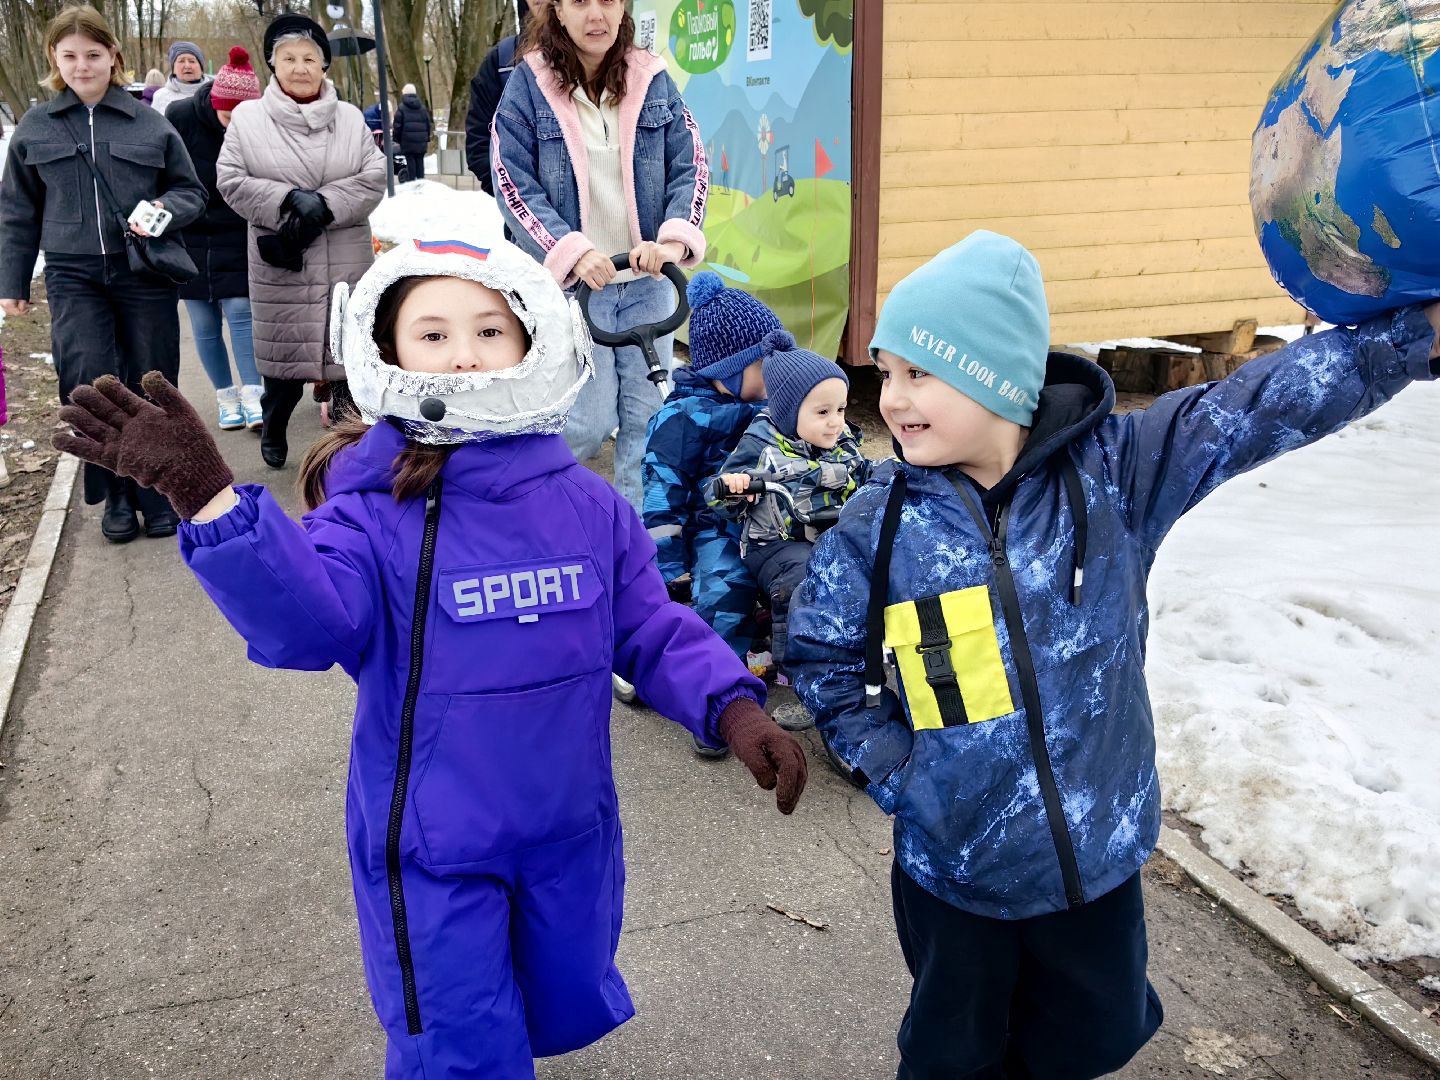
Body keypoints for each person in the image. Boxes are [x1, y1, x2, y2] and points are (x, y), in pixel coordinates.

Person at [53, 237, 808, 1079]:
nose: (464, 355)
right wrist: (211, 499)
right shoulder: (373, 511)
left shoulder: (587, 504)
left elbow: (650, 627)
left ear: (533, 341)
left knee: (553, 1002)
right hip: (433, 853)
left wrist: (732, 705)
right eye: (434, 333)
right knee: (460, 1053)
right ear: (389, 350)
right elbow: (308, 623)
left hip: (569, 836)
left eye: (490, 331)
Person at [785, 230, 1440, 1080]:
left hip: (1094, 863)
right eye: (889, 371)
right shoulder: (884, 523)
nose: (893, 397)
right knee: (953, 1057)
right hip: (959, 871)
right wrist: (899, 774)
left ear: (996, 381)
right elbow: (822, 656)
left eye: (920, 373)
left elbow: (1253, 409)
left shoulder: (1115, 477)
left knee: (1078, 1049)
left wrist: (1410, 337)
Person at [492, 0, 709, 512]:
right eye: (580, 2)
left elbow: (691, 163)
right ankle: (538, 517)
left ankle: (641, 545)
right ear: (557, 12)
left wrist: (672, 241)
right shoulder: (529, 84)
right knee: (583, 425)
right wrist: (570, 250)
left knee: (647, 420)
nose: (597, 14)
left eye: (608, 0)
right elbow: (511, 178)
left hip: (647, 283)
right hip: (575, 287)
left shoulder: (649, 77)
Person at [0, 5, 206, 542]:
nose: (82, 65)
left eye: (93, 54)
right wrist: (12, 282)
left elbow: (192, 192)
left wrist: (159, 211)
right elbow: (17, 211)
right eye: (69, 56)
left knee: (151, 378)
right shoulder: (35, 127)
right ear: (54, 59)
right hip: (73, 274)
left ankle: (157, 492)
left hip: (142, 271)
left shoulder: (149, 122)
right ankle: (115, 492)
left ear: (113, 56)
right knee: (90, 381)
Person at [216, 13, 385, 469]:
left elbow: (373, 177)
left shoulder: (349, 118)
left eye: (309, 58)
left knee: (346, 359)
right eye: (288, 58)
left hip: (345, 256)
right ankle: (274, 425)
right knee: (284, 365)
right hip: (283, 259)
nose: (300, 67)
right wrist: (288, 198)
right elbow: (230, 180)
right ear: (273, 65)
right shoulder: (248, 119)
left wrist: (325, 203)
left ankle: (350, 450)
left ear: (324, 65)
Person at [712, 330, 866, 691]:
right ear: (789, 412)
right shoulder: (762, 444)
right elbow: (715, 495)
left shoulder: (842, 440)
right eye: (823, 412)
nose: (836, 421)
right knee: (802, 575)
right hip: (775, 542)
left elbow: (864, 470)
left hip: (829, 532)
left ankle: (855, 644)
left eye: (841, 409)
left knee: (867, 563)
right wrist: (735, 488)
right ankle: (793, 666)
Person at [641, 271, 780, 674]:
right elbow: (661, 492)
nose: (775, 375)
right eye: (764, 367)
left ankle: (783, 639)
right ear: (729, 371)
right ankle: (719, 681)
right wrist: (667, 564)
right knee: (726, 585)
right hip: (712, 526)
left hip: (768, 519)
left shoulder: (772, 406)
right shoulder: (681, 419)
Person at [167, 46, 264, 431]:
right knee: (204, 321)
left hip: (236, 230)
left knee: (241, 310)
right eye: (228, 116)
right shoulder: (179, 118)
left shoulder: (258, 124)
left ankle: (254, 394)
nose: (233, 125)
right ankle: (226, 396)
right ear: (215, 105)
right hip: (189, 232)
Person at [464, 0, 530, 195]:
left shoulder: (589, 54)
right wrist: (512, 195)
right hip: (522, 217)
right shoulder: (501, 60)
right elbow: (479, 141)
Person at [151, 41, 211, 115]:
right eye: (181, 61)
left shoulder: (212, 95)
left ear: (201, 69)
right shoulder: (160, 96)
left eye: (192, 61)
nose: (187, 66)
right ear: (173, 69)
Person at [392, 83, 432, 180]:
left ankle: (412, 184)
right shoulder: (422, 108)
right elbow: (428, 124)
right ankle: (421, 183)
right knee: (420, 163)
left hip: (407, 141)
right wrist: (427, 138)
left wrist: (396, 138)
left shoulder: (401, 108)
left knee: (410, 163)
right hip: (421, 141)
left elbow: (397, 126)